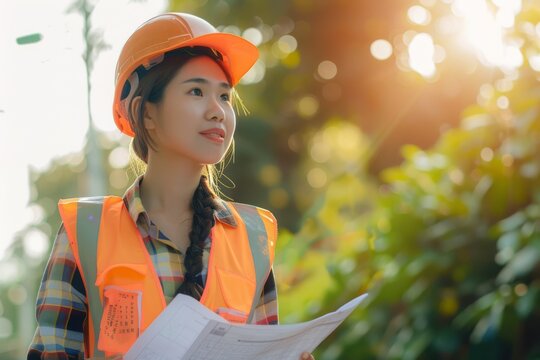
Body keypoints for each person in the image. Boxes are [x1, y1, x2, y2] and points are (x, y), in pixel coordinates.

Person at [27, 12, 314, 360]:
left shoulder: (252, 238)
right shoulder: (86, 232)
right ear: (146, 113)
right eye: (196, 91)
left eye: (224, 96)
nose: (218, 111)